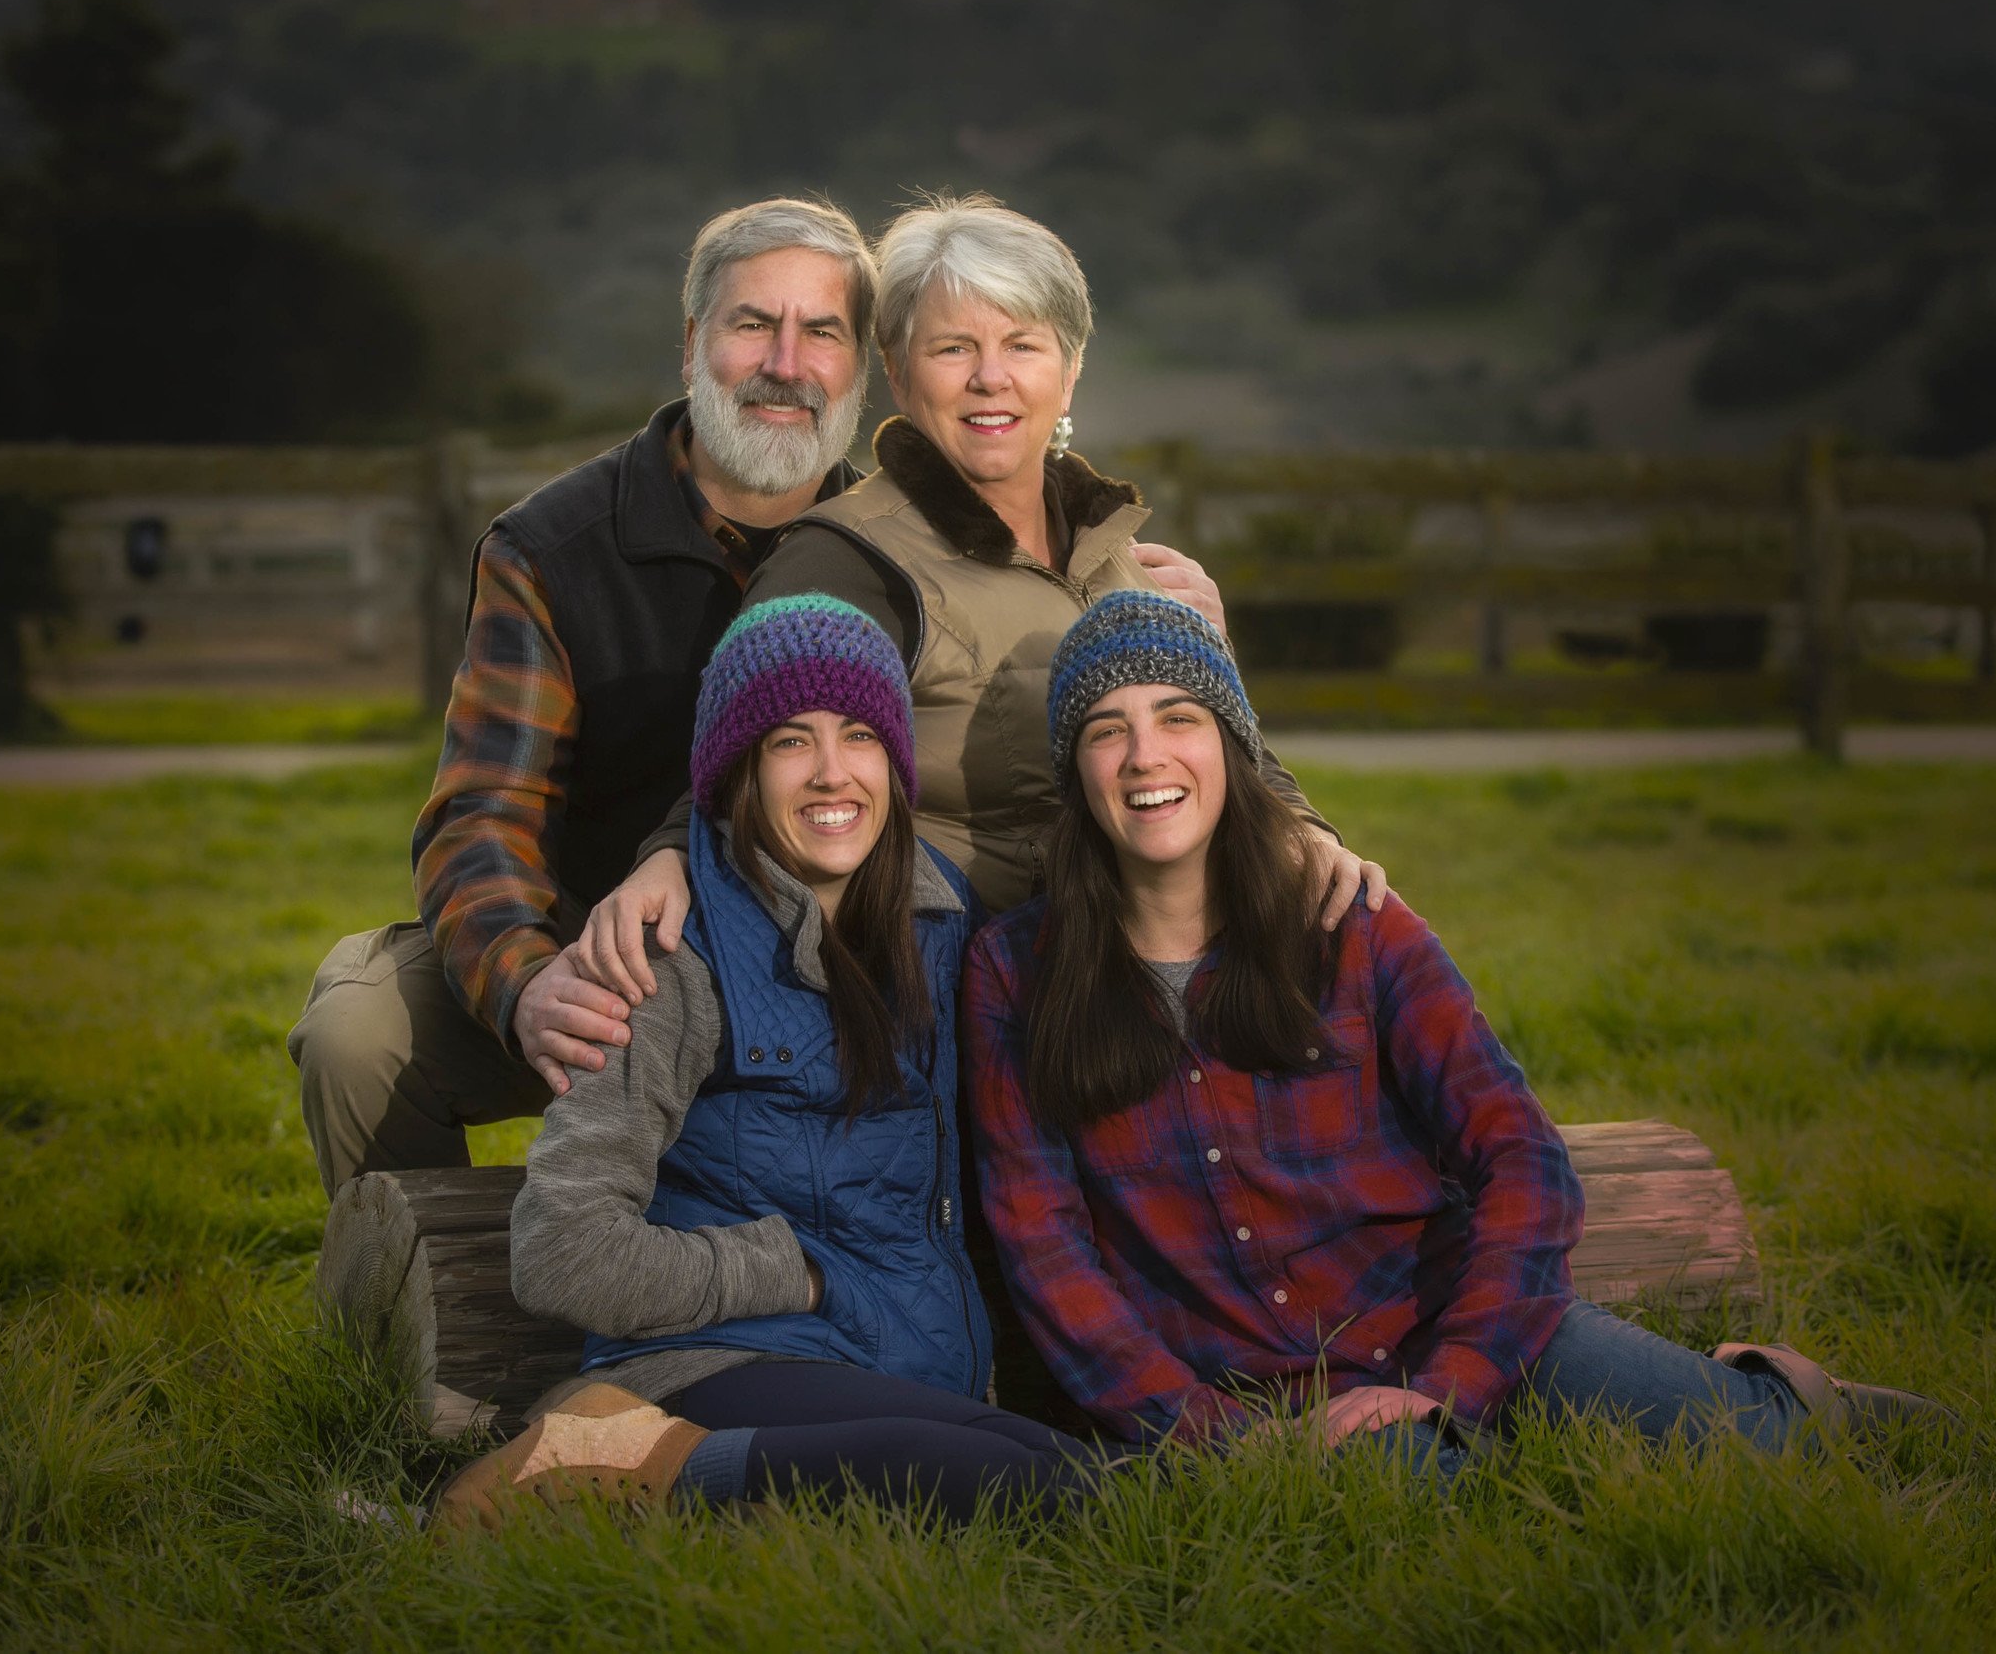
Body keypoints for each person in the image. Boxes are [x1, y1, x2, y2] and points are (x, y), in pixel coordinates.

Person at [961, 590, 1952, 1469]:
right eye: (1105, 728)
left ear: (1231, 744)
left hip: (1457, 1322)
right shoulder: (1016, 971)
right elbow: (1046, 1252)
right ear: (1075, 770)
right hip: (1253, 1401)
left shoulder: (1351, 924)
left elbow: (1519, 1152)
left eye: (1179, 716)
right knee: (1406, 1506)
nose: (1144, 755)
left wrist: (1453, 1379)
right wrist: (1220, 1438)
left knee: (1758, 1447)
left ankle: (1783, 1401)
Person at [567, 193, 1385, 1006]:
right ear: (895, 370)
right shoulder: (847, 562)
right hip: (971, 994)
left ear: (1068, 373)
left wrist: (1306, 832)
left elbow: (1220, 745)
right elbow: (745, 753)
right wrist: (667, 854)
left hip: (1152, 958)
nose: (991, 378)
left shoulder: (1122, 555)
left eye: (1023, 345)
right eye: (953, 348)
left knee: (1380, 951)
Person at [430, 596, 1113, 1532]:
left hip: (893, 1360)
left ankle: (645, 1477)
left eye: (862, 735)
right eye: (792, 741)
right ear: (739, 770)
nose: (833, 773)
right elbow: (562, 1251)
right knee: (1044, 1487)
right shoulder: (667, 952)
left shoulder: (943, 919)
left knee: (1058, 1467)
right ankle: (608, 1466)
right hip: (714, 1363)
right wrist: (792, 1274)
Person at [286, 197, 881, 1197]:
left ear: (859, 362)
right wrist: (528, 981)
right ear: (693, 343)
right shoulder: (554, 549)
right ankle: (406, 1312)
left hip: (823, 978)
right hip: (597, 961)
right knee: (358, 1026)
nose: (786, 360)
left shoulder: (890, 553)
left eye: (821, 330)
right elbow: (482, 813)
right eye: (751, 323)